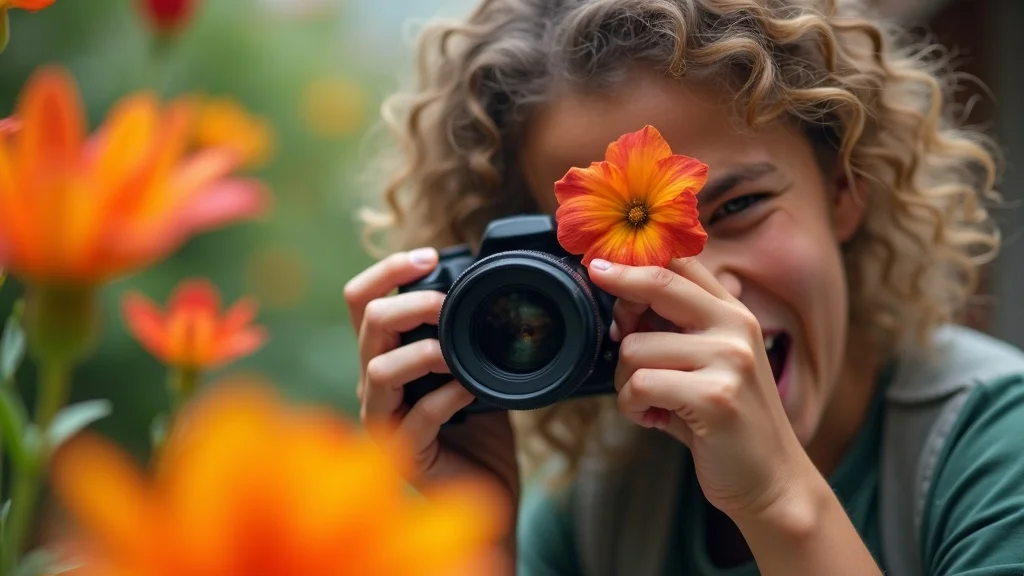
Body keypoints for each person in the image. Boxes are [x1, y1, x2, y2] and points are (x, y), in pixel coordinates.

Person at [342, 0, 1024, 573]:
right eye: (609, 244)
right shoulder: (597, 515)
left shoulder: (997, 452)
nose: (706, 291)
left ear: (846, 186)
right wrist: (477, 543)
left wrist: (776, 498)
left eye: (737, 208)